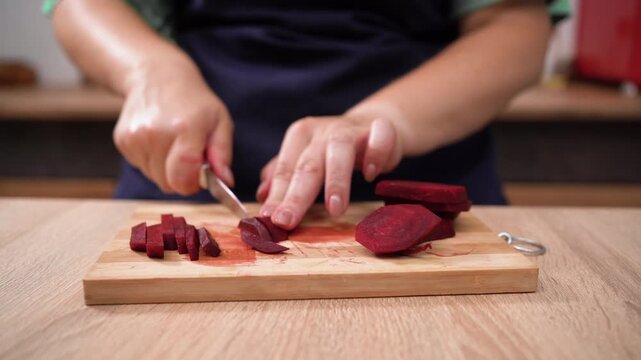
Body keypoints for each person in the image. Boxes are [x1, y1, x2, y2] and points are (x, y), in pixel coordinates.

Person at [45, 0, 565, 230]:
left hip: (422, 197)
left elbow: (515, 26)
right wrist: (149, 69)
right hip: (185, 187)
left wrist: (386, 119)